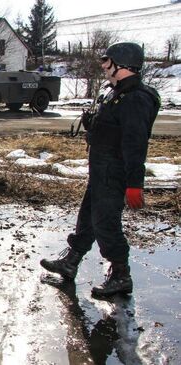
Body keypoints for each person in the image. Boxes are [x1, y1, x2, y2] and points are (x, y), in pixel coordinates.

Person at [40, 42, 160, 297]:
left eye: (108, 62)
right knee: (87, 219)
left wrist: (134, 183)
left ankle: (120, 275)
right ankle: (71, 262)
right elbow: (108, 126)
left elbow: (135, 145)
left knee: (106, 224)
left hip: (115, 172)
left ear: (123, 65)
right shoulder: (114, 92)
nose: (104, 66)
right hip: (100, 169)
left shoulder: (136, 99)